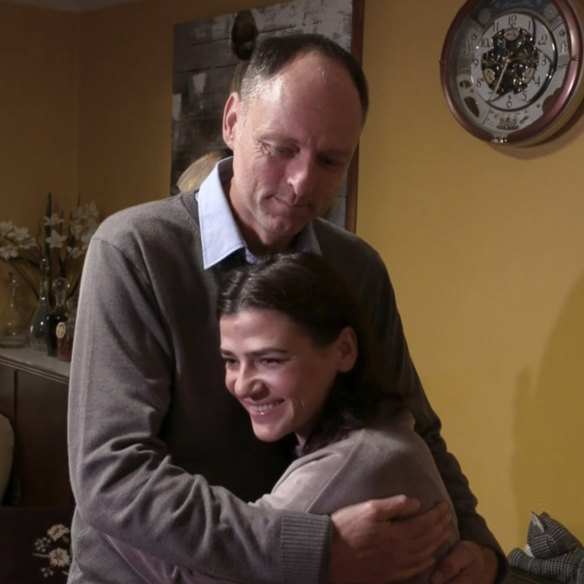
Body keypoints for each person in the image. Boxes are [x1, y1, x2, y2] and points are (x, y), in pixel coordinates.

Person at [67, 33, 505, 584]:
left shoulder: (358, 269)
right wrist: (309, 548)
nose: (302, 184)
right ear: (231, 122)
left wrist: (481, 547)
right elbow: (112, 475)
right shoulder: (133, 250)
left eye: (329, 160)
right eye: (280, 148)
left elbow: (413, 421)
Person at [107, 251, 461, 584]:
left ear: (344, 350)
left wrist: (109, 511)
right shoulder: (387, 430)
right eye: (231, 361)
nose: (243, 385)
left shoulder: (354, 461)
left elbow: (197, 577)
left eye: (270, 360)